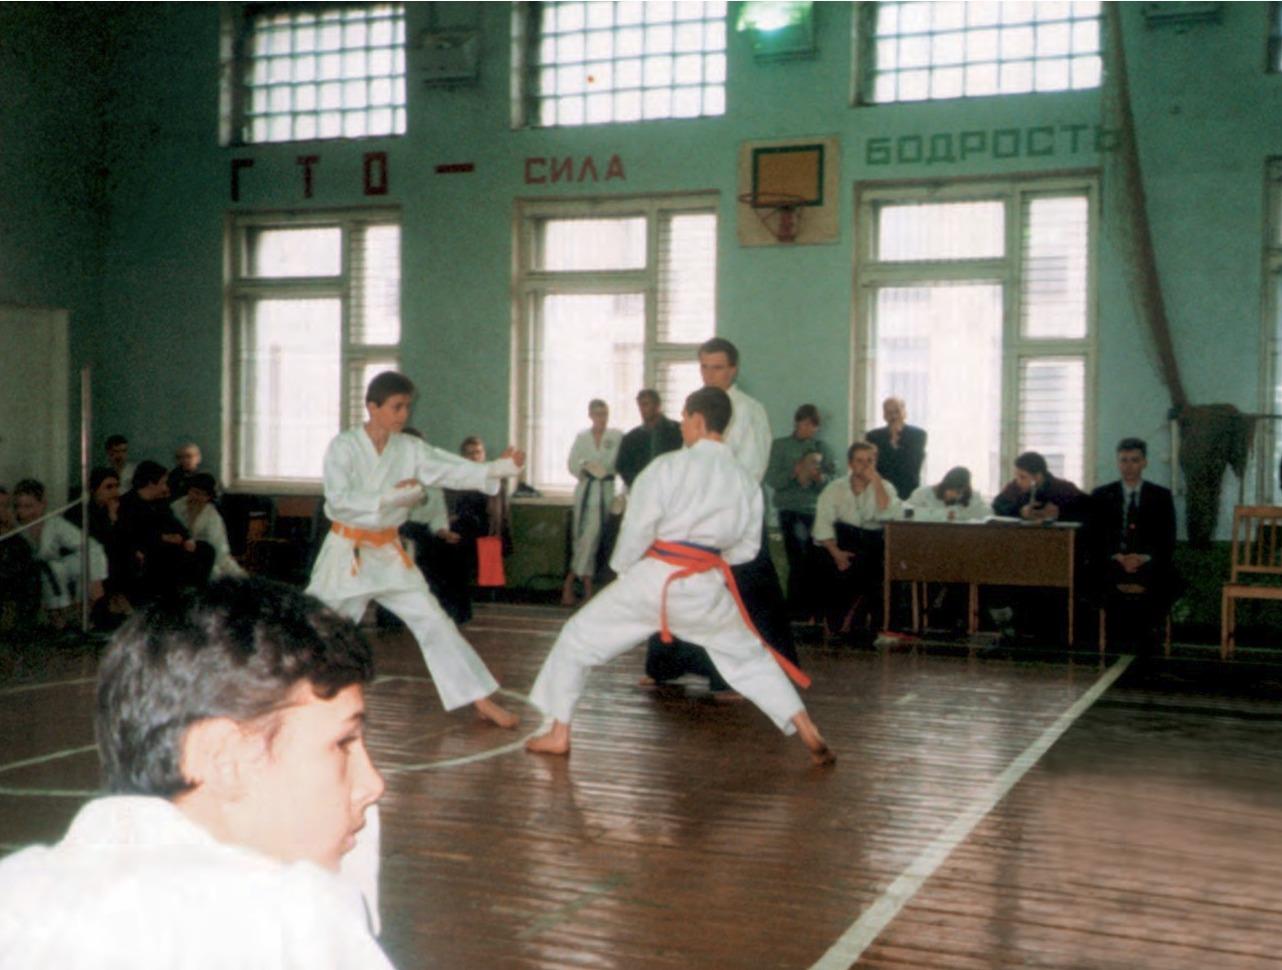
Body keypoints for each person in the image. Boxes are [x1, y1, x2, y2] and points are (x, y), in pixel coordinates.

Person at [0, 578, 394, 969]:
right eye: (343, 744)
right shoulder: (289, 922)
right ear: (224, 758)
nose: (373, 785)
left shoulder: (16, 894)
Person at [525, 387, 834, 766]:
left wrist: (624, 570)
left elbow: (637, 529)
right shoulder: (744, 481)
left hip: (654, 578)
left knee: (576, 637)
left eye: (685, 418)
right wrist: (709, 561)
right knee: (751, 658)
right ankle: (806, 727)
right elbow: (746, 550)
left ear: (698, 420)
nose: (682, 425)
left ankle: (559, 732)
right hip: (705, 586)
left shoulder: (667, 467)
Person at [306, 370, 523, 729]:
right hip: (347, 553)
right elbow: (338, 500)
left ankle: (480, 700)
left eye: (407, 407)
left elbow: (449, 468)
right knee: (315, 626)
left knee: (435, 621)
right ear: (372, 407)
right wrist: (389, 498)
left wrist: (495, 469)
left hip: (388, 553)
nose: (404, 414)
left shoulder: (408, 448)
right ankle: (282, 698)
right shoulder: (343, 447)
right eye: (397, 407)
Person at [643, 337, 800, 694]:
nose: (709, 374)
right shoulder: (696, 406)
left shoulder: (750, 410)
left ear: (733, 370)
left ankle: (751, 674)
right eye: (704, 367)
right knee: (684, 585)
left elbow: (753, 468)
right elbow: (689, 460)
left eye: (717, 368)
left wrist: (721, 507)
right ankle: (669, 666)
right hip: (696, 515)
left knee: (746, 594)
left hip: (736, 514)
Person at [1087, 438, 1179, 650]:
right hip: (1113, 561)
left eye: (1134, 460)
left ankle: (1151, 635)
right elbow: (1094, 536)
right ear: (1117, 462)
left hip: (1148, 562)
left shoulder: (1161, 496)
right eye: (1124, 460)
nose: (1128, 466)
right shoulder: (1101, 495)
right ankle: (1112, 635)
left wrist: (1142, 557)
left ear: (1144, 462)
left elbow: (1168, 538)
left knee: (1167, 578)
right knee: (1092, 576)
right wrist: (1118, 556)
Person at [812, 442, 902, 637]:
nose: (865, 465)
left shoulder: (886, 487)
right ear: (850, 463)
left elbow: (889, 513)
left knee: (876, 572)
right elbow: (823, 524)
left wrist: (876, 483)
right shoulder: (834, 488)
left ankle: (867, 625)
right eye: (860, 461)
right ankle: (835, 623)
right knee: (827, 565)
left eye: (870, 461)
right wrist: (836, 553)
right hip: (842, 539)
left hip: (874, 540)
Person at [765, 404, 837, 621]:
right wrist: (793, 472)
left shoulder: (823, 448)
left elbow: (833, 482)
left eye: (812, 425)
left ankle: (815, 612)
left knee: (816, 561)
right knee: (797, 560)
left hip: (816, 511)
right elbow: (772, 479)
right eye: (804, 424)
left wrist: (819, 478)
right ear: (796, 423)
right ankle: (796, 612)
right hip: (790, 510)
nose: (808, 429)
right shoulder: (780, 446)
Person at [117, 461, 215, 604]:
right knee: (170, 556)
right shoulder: (126, 503)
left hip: (168, 543)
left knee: (205, 549)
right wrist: (162, 538)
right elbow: (129, 533)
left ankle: (196, 596)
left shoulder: (160, 501)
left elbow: (174, 522)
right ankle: (170, 601)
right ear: (151, 483)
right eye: (163, 483)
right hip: (144, 547)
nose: (166, 487)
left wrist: (186, 538)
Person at [12, 478, 108, 620]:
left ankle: (86, 607)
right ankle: (60, 617)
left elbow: (90, 546)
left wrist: (94, 578)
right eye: (18, 506)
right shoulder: (13, 527)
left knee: (89, 556)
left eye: (28, 506)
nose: (21, 512)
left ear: (42, 505)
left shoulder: (54, 523)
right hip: (26, 573)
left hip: (52, 572)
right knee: (54, 569)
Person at [562, 399, 622, 606]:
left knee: (594, 540)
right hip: (586, 492)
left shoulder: (616, 436)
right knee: (584, 538)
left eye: (604, 414)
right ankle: (583, 589)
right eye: (597, 414)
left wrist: (619, 490)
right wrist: (586, 467)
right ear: (590, 415)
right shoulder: (582, 437)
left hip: (607, 491)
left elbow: (621, 464)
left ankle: (572, 585)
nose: (601, 418)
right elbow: (572, 464)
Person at [173, 473, 247, 580]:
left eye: (203, 495)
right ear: (189, 490)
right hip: (179, 552)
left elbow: (217, 545)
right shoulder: (176, 507)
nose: (197, 497)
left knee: (222, 574)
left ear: (208, 497)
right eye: (195, 492)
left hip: (205, 556)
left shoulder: (212, 515)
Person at [991, 451, 1088, 523]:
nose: (1018, 481)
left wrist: (1060, 513)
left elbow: (1088, 509)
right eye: (1016, 476)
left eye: (1023, 477)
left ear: (1038, 476)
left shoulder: (1063, 488)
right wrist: (1020, 511)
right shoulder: (1015, 487)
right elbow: (997, 505)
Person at [616, 388, 683, 490]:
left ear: (657, 405)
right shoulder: (631, 438)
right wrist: (638, 485)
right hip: (644, 490)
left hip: (673, 488)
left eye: (646, 404)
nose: (642, 409)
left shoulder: (677, 431)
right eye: (640, 405)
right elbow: (623, 466)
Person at [864, 397, 927, 501]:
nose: (893, 416)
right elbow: (875, 464)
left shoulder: (918, 435)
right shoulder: (873, 436)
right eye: (889, 412)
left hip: (908, 489)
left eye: (897, 411)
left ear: (904, 413)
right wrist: (892, 440)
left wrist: (896, 442)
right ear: (884, 415)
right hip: (881, 489)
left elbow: (913, 464)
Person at [907, 466, 988, 521]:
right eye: (952, 490)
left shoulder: (973, 497)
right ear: (945, 485)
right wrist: (945, 514)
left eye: (959, 492)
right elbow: (907, 513)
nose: (955, 496)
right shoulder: (922, 494)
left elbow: (986, 515)